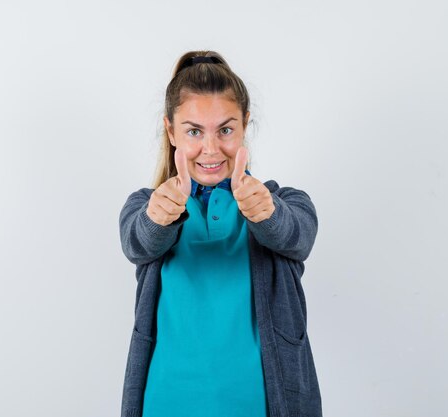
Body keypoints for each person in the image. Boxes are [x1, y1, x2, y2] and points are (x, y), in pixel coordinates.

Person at [118, 51, 322, 417]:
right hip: (166, 404)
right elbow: (138, 240)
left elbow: (298, 236)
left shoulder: (284, 202)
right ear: (171, 131)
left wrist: (268, 214)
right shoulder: (147, 205)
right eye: (194, 131)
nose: (210, 149)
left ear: (245, 125)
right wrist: (157, 217)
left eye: (225, 130)